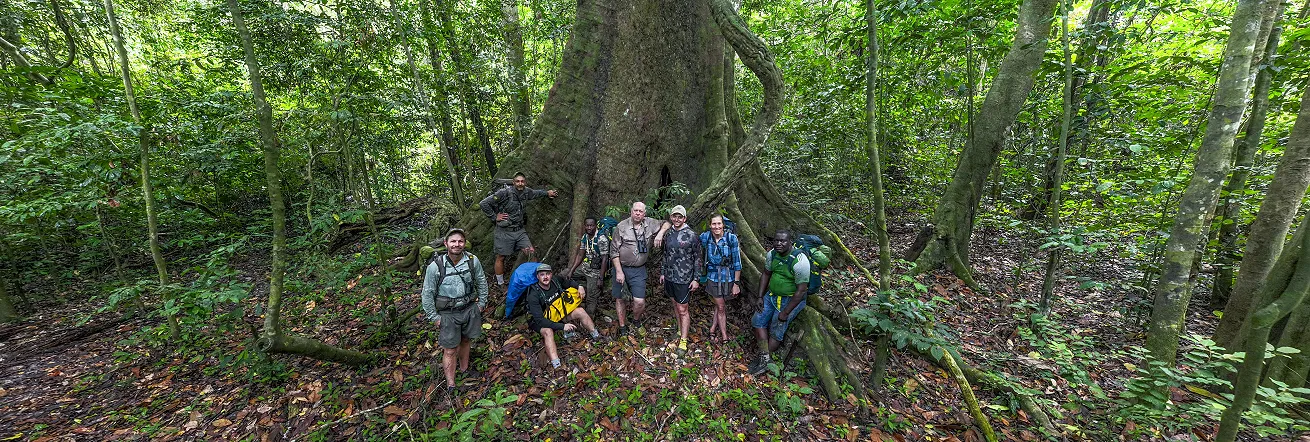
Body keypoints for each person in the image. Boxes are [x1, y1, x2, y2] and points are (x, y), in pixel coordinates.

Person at [420, 228, 490, 394]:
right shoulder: (435, 266)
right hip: (447, 313)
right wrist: (434, 317)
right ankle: (451, 384)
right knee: (450, 349)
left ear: (464, 244)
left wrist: (481, 304)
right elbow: (427, 292)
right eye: (453, 241)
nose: (457, 245)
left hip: (469, 308)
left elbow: (481, 281)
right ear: (446, 244)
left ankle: (465, 370)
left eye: (460, 241)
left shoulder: (472, 260)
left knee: (466, 340)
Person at [747, 230, 810, 376]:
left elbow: (801, 291)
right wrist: (760, 296)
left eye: (783, 241)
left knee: (777, 329)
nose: (779, 244)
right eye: (776, 241)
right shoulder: (772, 254)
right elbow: (766, 274)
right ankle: (765, 358)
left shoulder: (800, 262)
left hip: (790, 300)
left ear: (790, 242)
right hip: (771, 295)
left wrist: (786, 312)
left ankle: (765, 361)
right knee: (757, 321)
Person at [479, 172, 558, 286]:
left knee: (531, 253)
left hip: (520, 231)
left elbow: (535, 193)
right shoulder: (504, 193)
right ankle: (500, 283)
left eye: (522, 181)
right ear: (513, 182)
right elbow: (484, 203)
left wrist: (547, 193)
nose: (520, 183)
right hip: (504, 232)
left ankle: (534, 281)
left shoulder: (526, 192)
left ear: (525, 182)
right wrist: (494, 216)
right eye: (517, 181)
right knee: (501, 257)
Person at [524, 264, 602, 369]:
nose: (545, 277)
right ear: (537, 277)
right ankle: (557, 364)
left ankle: (596, 336)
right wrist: (562, 327)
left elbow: (569, 282)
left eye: (547, 274)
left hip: (557, 313)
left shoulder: (556, 281)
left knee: (580, 311)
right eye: (542, 275)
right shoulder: (533, 295)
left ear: (551, 274)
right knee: (548, 332)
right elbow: (540, 320)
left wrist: (579, 287)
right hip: (540, 321)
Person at [610, 201, 670, 336]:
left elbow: (667, 223)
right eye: (635, 210)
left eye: (640, 211)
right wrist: (619, 271)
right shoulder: (622, 226)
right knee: (620, 299)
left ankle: (635, 319)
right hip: (621, 267)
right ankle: (622, 326)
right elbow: (613, 251)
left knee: (639, 301)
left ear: (644, 213)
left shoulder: (650, 223)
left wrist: (660, 234)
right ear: (631, 212)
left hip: (639, 269)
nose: (637, 213)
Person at [659, 205, 702, 353]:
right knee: (675, 305)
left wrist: (696, 278)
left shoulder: (692, 235)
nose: (677, 219)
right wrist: (663, 272)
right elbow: (665, 254)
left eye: (680, 217)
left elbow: (698, 258)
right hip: (670, 276)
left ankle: (683, 341)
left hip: (684, 278)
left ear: (684, 218)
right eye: (674, 216)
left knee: (683, 309)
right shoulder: (669, 233)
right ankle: (679, 330)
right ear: (671, 217)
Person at [699, 214, 741, 344]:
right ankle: (724, 336)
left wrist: (736, 283)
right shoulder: (706, 237)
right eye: (713, 224)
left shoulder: (731, 238)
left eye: (719, 224)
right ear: (710, 225)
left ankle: (712, 328)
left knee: (719, 305)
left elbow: (737, 262)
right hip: (712, 277)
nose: (716, 227)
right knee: (721, 306)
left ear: (723, 225)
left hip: (728, 277)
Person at [567, 217, 611, 316]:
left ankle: (589, 318)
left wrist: (601, 278)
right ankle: (581, 287)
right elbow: (580, 254)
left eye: (591, 225)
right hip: (586, 267)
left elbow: (605, 258)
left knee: (591, 298)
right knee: (564, 275)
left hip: (596, 271)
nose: (589, 227)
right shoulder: (585, 237)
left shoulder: (601, 239)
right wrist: (571, 270)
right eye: (587, 225)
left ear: (595, 226)